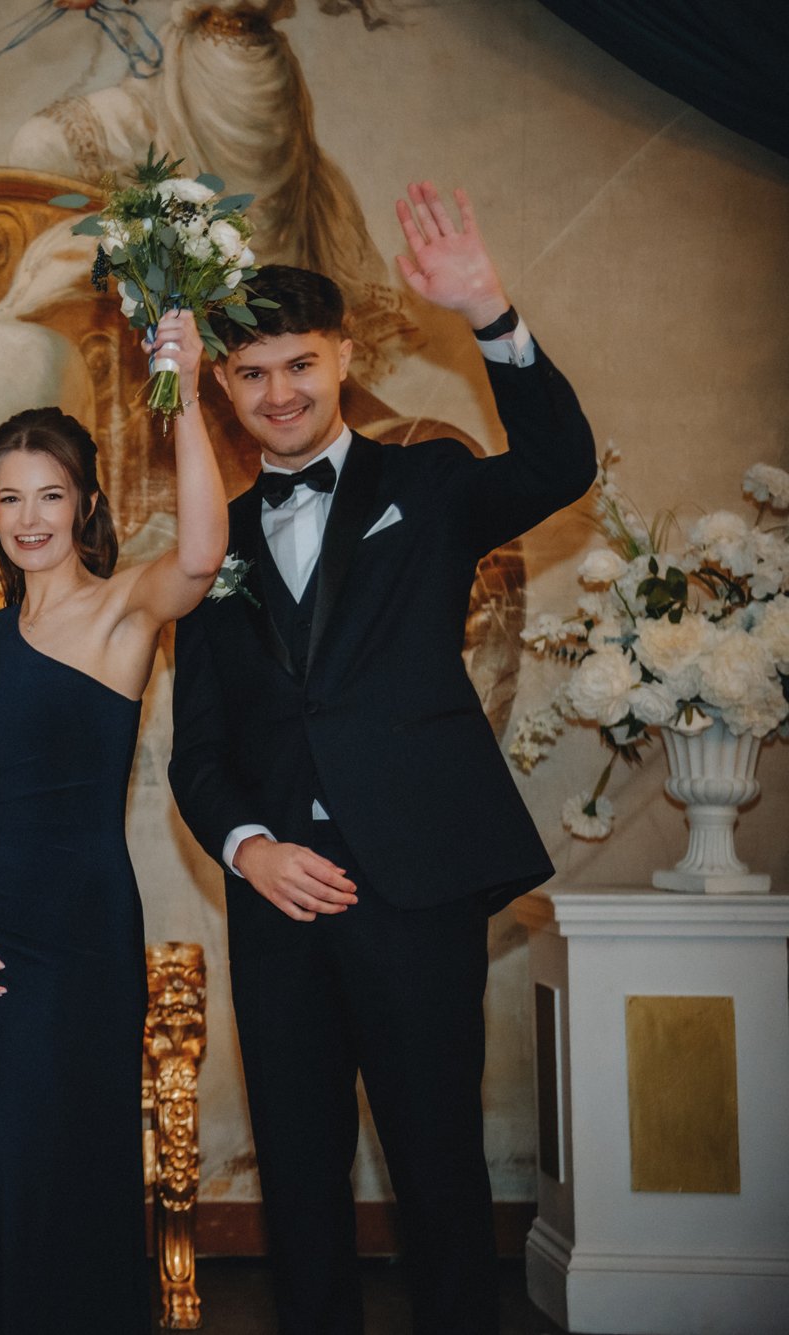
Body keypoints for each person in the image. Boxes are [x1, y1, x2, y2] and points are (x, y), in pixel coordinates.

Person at [167, 183, 597, 1335]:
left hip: (415, 884)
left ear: (341, 356)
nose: (278, 394)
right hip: (276, 907)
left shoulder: (428, 486)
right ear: (221, 384)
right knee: (298, 1181)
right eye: (251, 373)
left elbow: (558, 462)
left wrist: (490, 315)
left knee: (436, 1167)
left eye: (298, 365)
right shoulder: (208, 553)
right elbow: (194, 753)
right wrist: (249, 851)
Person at [0, 309, 227, 1334]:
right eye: (7, 499)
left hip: (85, 920)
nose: (27, 517)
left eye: (47, 495)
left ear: (84, 502)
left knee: (76, 1148)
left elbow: (200, 547)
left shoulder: (123, 609)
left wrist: (181, 394)